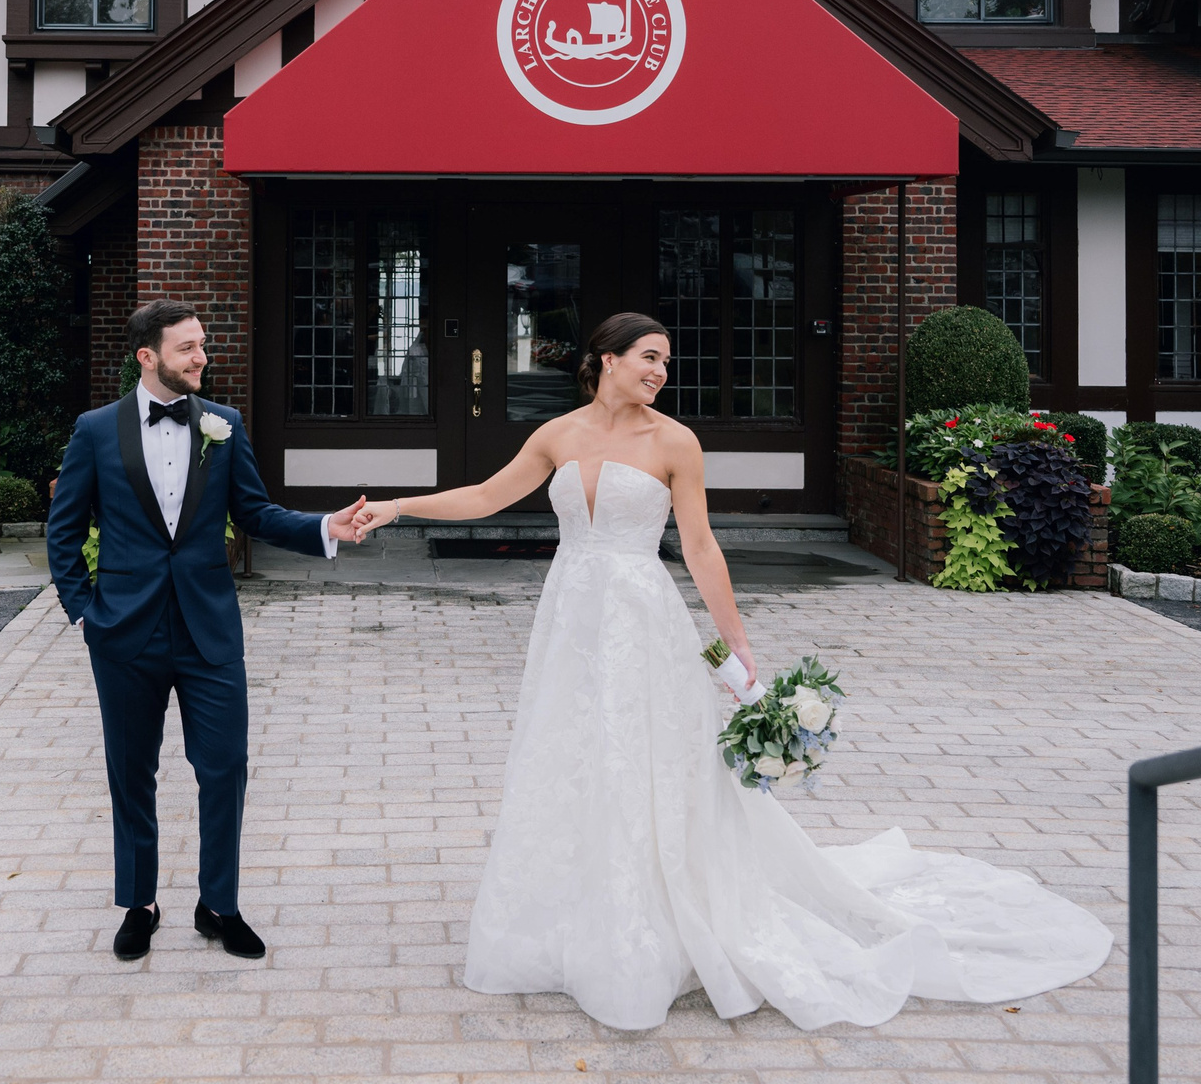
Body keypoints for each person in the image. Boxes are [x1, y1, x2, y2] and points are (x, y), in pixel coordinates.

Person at [348, 311, 1111, 1031]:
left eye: (667, 364)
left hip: (642, 618)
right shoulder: (557, 434)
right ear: (607, 359)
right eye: (649, 359)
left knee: (650, 765)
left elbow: (702, 547)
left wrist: (735, 644)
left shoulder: (675, 442)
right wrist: (398, 507)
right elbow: (487, 496)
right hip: (571, 618)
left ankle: (654, 925)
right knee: (572, 757)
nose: (660, 374)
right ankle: (572, 919)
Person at [47, 298, 369, 963]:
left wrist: (322, 529)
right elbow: (65, 527)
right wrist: (85, 609)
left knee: (224, 769)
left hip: (208, 630)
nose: (202, 356)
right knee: (130, 772)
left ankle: (219, 904)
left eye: (202, 344)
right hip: (124, 632)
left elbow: (254, 510)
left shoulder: (224, 424)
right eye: (188, 347)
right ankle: (140, 902)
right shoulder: (95, 431)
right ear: (149, 356)